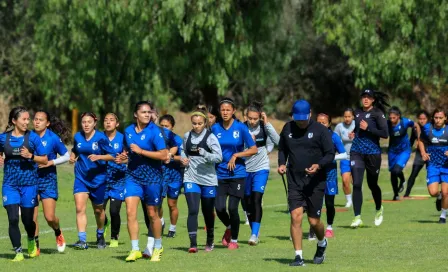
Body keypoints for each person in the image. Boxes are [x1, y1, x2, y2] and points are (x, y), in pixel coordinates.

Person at [278, 100, 334, 266]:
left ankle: (322, 242)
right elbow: (282, 149)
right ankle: (298, 256)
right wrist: (282, 163)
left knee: (313, 222)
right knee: (296, 217)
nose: (301, 122)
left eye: (304, 118)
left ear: (310, 114)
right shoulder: (287, 128)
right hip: (294, 180)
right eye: (298, 118)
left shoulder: (321, 130)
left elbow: (330, 154)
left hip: (315, 182)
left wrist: (318, 165)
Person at [115, 101, 168, 262]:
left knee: (153, 215)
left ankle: (158, 247)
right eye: (143, 112)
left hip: (152, 178)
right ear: (136, 115)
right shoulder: (128, 131)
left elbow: (164, 155)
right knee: (130, 212)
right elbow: (127, 151)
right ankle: (135, 249)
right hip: (133, 177)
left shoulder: (155, 131)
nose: (147, 115)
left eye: (148, 112)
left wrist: (142, 151)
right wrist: (123, 156)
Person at [0, 107, 48, 262]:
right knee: (13, 218)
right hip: (10, 184)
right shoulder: (3, 138)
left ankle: (31, 239)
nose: (28, 122)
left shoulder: (33, 138)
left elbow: (45, 159)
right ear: (14, 121)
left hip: (29, 185)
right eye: (24, 119)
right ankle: (18, 251)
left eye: (29, 119)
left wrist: (31, 156)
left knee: (28, 221)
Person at [212, 97, 257, 250]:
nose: (225, 112)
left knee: (232, 208)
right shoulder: (215, 128)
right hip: (220, 174)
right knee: (219, 208)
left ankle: (235, 241)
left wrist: (237, 155)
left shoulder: (241, 128)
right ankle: (230, 226)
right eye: (222, 110)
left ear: (233, 111)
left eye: (228, 110)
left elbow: (253, 149)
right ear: (220, 111)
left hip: (238, 174)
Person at [70, 112, 115, 250]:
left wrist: (99, 157)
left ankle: (100, 234)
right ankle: (82, 240)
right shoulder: (78, 136)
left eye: (89, 122)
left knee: (98, 211)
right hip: (81, 177)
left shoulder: (101, 138)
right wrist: (72, 157)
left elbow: (113, 155)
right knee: (79, 208)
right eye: (84, 122)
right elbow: (75, 150)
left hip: (98, 180)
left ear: (95, 123)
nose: (86, 124)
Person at [181, 110, 222, 252]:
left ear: (205, 123)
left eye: (199, 123)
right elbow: (182, 151)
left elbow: (219, 157)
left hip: (208, 180)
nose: (196, 126)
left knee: (207, 211)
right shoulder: (187, 136)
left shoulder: (211, 138)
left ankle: (210, 239)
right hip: (190, 178)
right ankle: (193, 244)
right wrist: (183, 159)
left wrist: (205, 153)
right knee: (193, 209)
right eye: (194, 123)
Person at [349, 90, 389, 228]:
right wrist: (354, 132)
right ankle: (357, 217)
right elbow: (359, 126)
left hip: (373, 153)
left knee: (372, 184)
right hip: (356, 152)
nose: (365, 99)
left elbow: (385, 134)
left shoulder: (378, 113)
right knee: (356, 183)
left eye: (368, 97)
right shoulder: (357, 112)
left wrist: (369, 128)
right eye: (364, 97)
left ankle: (379, 208)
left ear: (373, 100)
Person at [32, 110, 70, 254]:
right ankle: (35, 246)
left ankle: (58, 231)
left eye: (40, 120)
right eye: (35, 119)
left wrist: (51, 163)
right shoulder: (28, 136)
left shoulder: (53, 138)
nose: (36, 122)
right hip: (31, 180)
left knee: (49, 217)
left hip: (48, 181)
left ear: (47, 123)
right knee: (32, 216)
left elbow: (66, 156)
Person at [243, 101, 280, 245]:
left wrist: (267, 123)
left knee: (257, 198)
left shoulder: (264, 127)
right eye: (250, 118)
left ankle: (253, 234)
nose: (252, 121)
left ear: (259, 117)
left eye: (255, 118)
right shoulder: (241, 128)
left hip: (261, 168)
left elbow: (278, 142)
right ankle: (255, 231)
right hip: (244, 169)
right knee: (247, 202)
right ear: (246, 117)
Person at [313, 113, 347, 239]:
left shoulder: (334, 137)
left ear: (329, 124)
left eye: (324, 122)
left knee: (329, 203)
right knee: (315, 203)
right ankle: (314, 227)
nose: (321, 125)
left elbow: (344, 154)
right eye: (319, 122)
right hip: (315, 174)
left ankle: (329, 227)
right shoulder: (312, 136)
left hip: (330, 175)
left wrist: (329, 158)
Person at [419, 109, 448, 223]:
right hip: (433, 164)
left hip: (446, 165)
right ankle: (439, 197)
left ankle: (443, 215)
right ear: (433, 118)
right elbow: (421, 141)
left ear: (445, 118)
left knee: (446, 192)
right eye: (436, 117)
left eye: (440, 118)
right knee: (433, 192)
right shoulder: (427, 128)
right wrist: (423, 153)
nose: (438, 120)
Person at [102, 113, 126, 248]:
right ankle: (104, 223)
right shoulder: (99, 137)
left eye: (111, 120)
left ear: (117, 124)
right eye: (106, 120)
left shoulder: (123, 138)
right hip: (101, 179)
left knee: (114, 211)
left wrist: (124, 157)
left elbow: (128, 155)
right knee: (99, 209)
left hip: (119, 179)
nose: (108, 122)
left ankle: (114, 237)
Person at [387, 106, 420, 200]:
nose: (392, 120)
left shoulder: (405, 122)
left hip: (404, 150)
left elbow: (416, 125)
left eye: (394, 118)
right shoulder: (387, 124)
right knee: (393, 173)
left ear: (398, 116)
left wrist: (418, 139)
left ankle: (402, 179)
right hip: (392, 151)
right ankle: (396, 194)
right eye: (390, 118)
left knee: (397, 170)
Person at [159, 114, 183, 238]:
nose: (164, 128)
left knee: (172, 204)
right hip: (160, 175)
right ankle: (161, 221)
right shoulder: (156, 139)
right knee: (157, 203)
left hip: (174, 175)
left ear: (172, 127)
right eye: (161, 126)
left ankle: (172, 229)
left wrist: (171, 157)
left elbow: (184, 158)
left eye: (166, 126)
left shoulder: (178, 140)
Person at [404, 110, 430, 198]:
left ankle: (439, 192)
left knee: (433, 174)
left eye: (424, 119)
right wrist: (406, 150)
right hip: (419, 154)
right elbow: (411, 141)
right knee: (413, 173)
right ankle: (406, 194)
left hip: (431, 154)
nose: (422, 121)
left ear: (428, 119)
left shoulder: (431, 128)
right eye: (420, 119)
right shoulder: (415, 129)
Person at [334, 108, 355, 208]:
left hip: (357, 157)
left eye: (349, 116)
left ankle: (357, 197)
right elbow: (334, 140)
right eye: (345, 116)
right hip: (345, 158)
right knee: (345, 180)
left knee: (355, 181)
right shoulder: (339, 127)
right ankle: (349, 201)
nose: (347, 118)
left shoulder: (357, 125)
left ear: (353, 116)